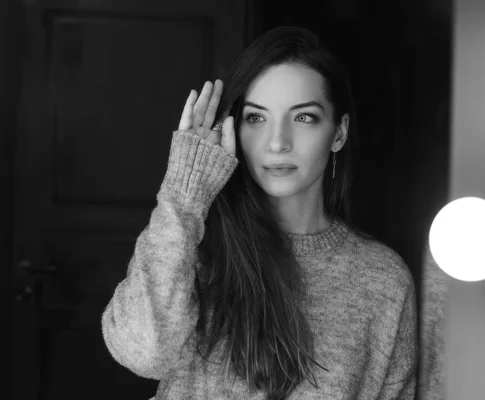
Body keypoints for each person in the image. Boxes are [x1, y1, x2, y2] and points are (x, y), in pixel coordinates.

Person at [101, 26, 417, 400]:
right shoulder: (192, 246)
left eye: (303, 118)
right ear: (234, 126)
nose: (278, 142)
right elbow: (144, 354)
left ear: (339, 133)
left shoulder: (382, 279)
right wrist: (183, 192)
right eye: (256, 118)